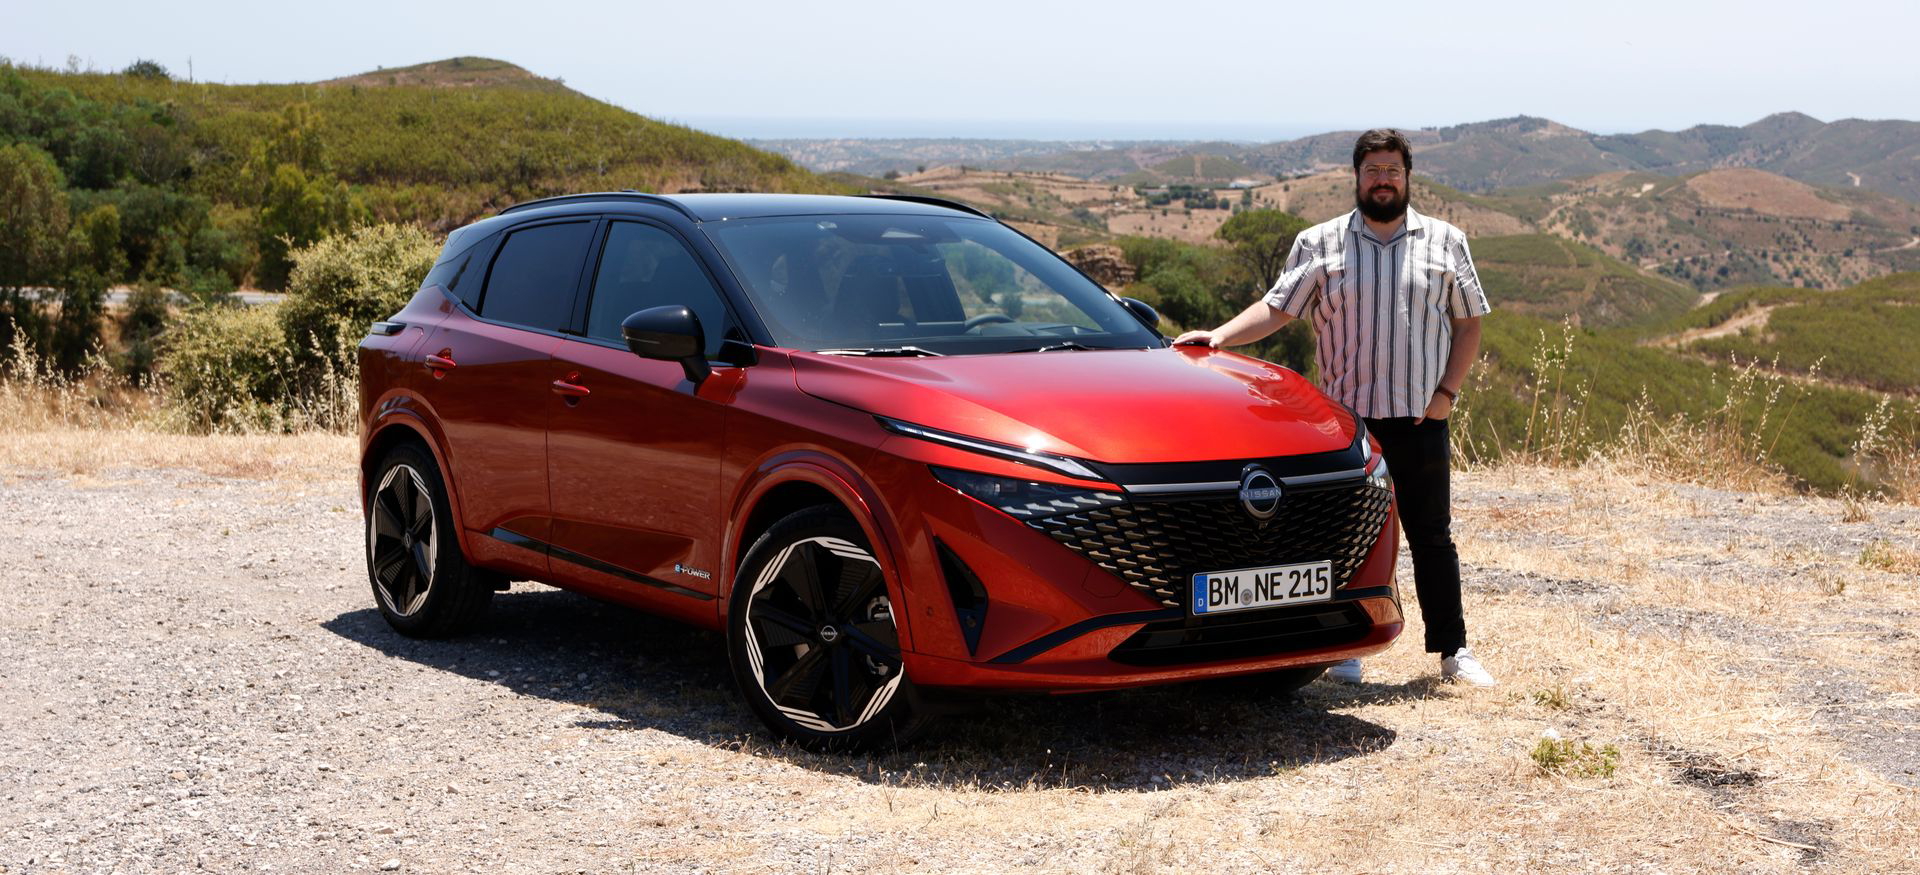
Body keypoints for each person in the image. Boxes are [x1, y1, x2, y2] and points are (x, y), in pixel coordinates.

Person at [1174, 128, 1496, 686]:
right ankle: (1344, 648)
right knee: (1341, 537)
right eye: (1373, 170)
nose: (1382, 180)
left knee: (1431, 537)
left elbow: (1469, 323)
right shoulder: (1319, 243)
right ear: (1357, 176)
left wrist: (1447, 395)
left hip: (1421, 418)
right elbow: (1278, 308)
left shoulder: (1447, 242)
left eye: (1392, 170)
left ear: (1407, 176)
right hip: (1347, 427)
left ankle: (1452, 649)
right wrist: (1219, 337)